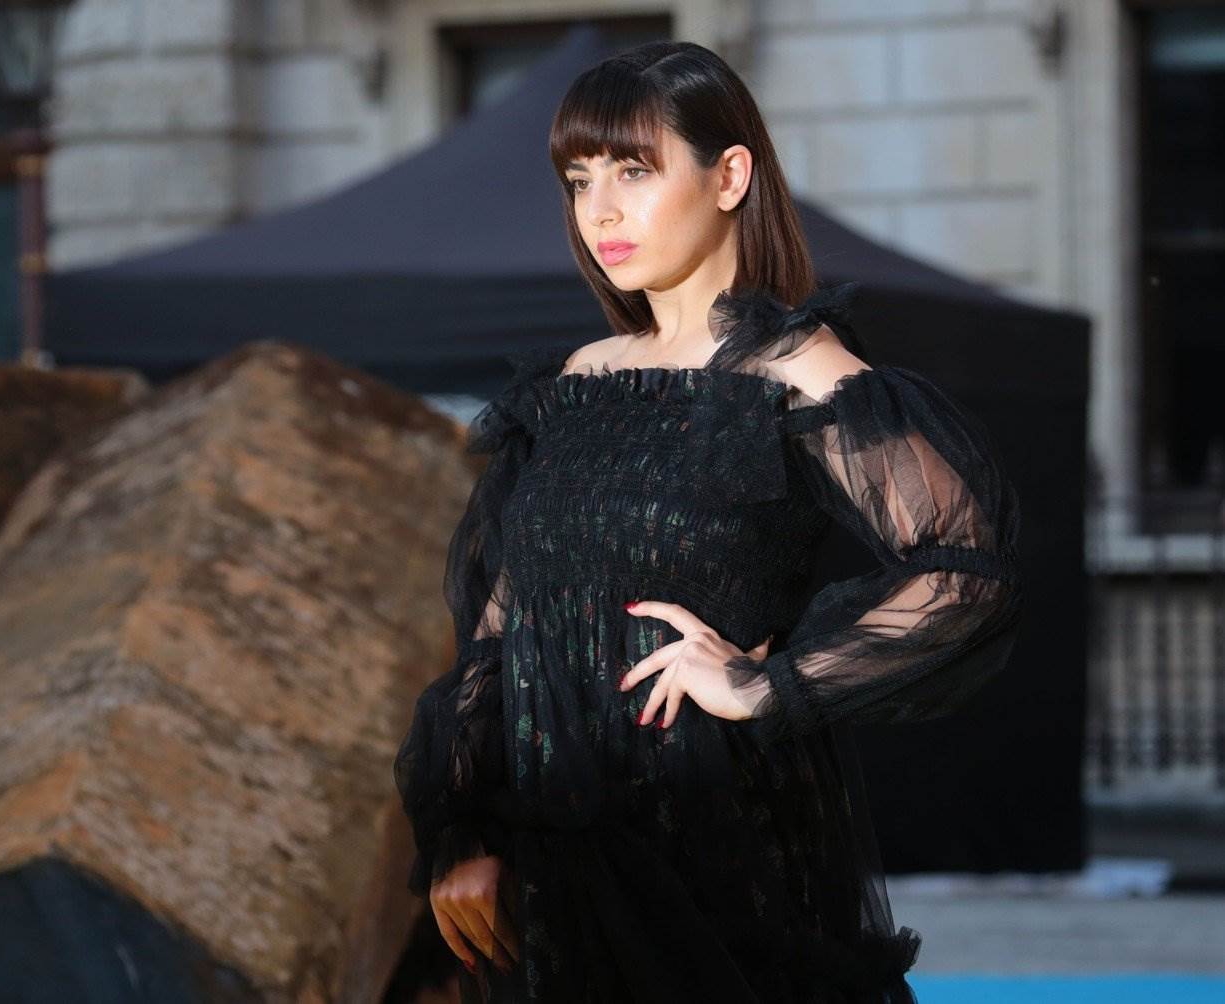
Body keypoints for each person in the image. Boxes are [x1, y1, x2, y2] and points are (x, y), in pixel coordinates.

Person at [394, 38, 1023, 1004]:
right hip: (550, 861)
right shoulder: (575, 382)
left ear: (730, 176)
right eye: (579, 180)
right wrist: (467, 830)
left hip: (714, 855)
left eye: (633, 171)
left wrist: (766, 686)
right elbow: (497, 631)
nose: (600, 210)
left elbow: (965, 573)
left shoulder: (794, 372)